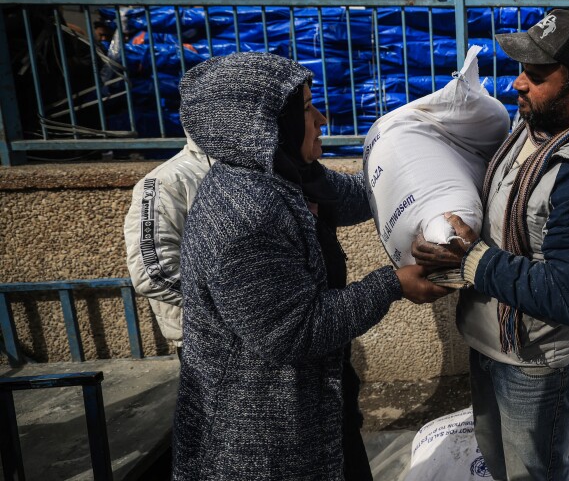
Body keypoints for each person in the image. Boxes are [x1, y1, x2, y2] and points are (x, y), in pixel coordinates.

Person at [172, 52, 450, 480]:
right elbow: (294, 331)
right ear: (263, 126)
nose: (321, 118)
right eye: (306, 109)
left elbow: (362, 196)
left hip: (316, 405)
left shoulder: (288, 176)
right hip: (265, 435)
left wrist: (437, 184)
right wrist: (392, 284)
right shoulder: (244, 214)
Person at [412, 9, 569, 481]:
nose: (518, 84)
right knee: (498, 463)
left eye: (535, 76)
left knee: (534, 473)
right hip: (490, 340)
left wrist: (470, 259)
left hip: (534, 364)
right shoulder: (536, 128)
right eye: (521, 71)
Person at [123, 136, 210, 350]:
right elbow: (153, 273)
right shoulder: (166, 180)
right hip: (205, 339)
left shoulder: (273, 167)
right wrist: (240, 304)